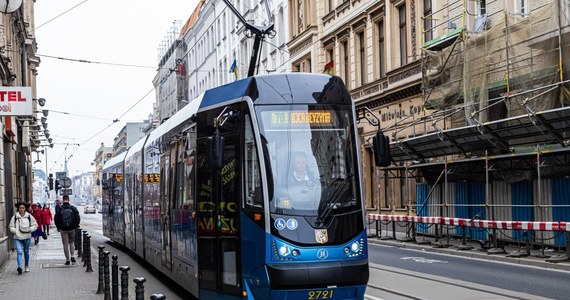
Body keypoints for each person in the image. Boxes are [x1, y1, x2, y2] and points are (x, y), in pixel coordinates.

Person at [9, 202, 38, 274]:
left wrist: (30, 229)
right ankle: (20, 267)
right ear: (18, 208)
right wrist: (15, 231)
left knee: (26, 252)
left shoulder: (29, 216)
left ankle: (27, 266)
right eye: (20, 208)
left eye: (23, 208)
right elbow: (11, 226)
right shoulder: (15, 217)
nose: (21, 209)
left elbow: (35, 225)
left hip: (27, 237)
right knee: (19, 251)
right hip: (18, 237)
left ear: (25, 209)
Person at [54, 195, 80, 265]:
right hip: (72, 228)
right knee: (71, 242)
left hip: (63, 229)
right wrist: (75, 226)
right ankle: (72, 256)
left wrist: (58, 227)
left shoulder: (60, 209)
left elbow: (56, 219)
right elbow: (77, 218)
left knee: (65, 244)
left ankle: (67, 259)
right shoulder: (73, 208)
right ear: (68, 200)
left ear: (63, 200)